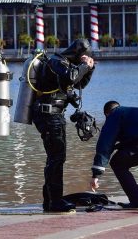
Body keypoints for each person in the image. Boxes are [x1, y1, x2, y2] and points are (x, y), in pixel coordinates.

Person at [32, 39, 95, 212]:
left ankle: (50, 200)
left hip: (53, 115)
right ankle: (55, 201)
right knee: (57, 158)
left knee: (55, 158)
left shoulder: (66, 64)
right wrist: (84, 66)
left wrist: (89, 69)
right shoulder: (56, 61)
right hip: (48, 115)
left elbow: (79, 82)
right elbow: (72, 76)